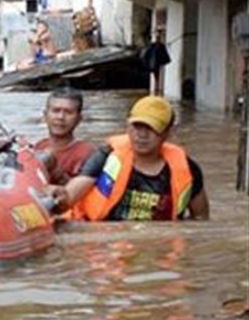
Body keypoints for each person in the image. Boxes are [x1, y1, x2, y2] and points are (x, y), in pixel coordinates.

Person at [56, 95, 209, 220]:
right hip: (108, 242)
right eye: (137, 126)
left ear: (167, 133)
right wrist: (60, 196)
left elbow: (201, 219)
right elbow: (71, 195)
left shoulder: (188, 169)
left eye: (151, 128)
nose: (142, 135)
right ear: (128, 127)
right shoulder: (107, 157)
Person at [33, 86, 97, 186]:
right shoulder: (38, 146)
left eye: (68, 112)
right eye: (56, 111)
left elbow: (81, 191)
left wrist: (54, 169)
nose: (60, 117)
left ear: (79, 119)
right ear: (45, 115)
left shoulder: (88, 153)